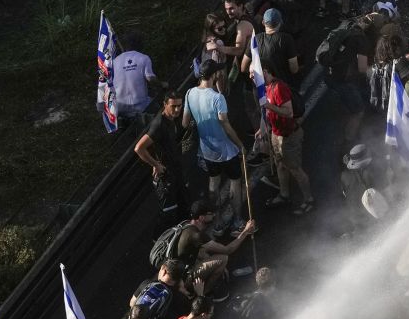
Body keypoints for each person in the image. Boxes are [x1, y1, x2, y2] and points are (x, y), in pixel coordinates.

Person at [183, 60, 247, 222]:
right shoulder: (217, 98)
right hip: (226, 150)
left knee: (214, 183)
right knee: (235, 182)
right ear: (214, 75)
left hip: (207, 150)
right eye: (218, 72)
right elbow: (225, 124)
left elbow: (185, 123)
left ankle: (217, 222)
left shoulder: (190, 93)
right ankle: (238, 220)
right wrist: (240, 145)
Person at [261, 70, 315, 215]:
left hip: (289, 136)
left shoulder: (279, 88)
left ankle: (309, 199)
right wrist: (263, 128)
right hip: (276, 134)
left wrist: (269, 106)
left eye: (253, 72)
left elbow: (289, 113)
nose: (250, 75)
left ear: (264, 70)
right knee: (280, 165)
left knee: (295, 169)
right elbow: (267, 112)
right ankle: (284, 195)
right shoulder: (264, 87)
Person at [135, 92, 188, 225]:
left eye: (179, 106)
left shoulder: (171, 120)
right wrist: (156, 164)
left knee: (182, 207)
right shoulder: (159, 124)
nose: (177, 109)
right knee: (167, 214)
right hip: (165, 176)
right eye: (173, 106)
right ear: (165, 105)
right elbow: (139, 148)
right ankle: (159, 242)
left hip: (175, 171)